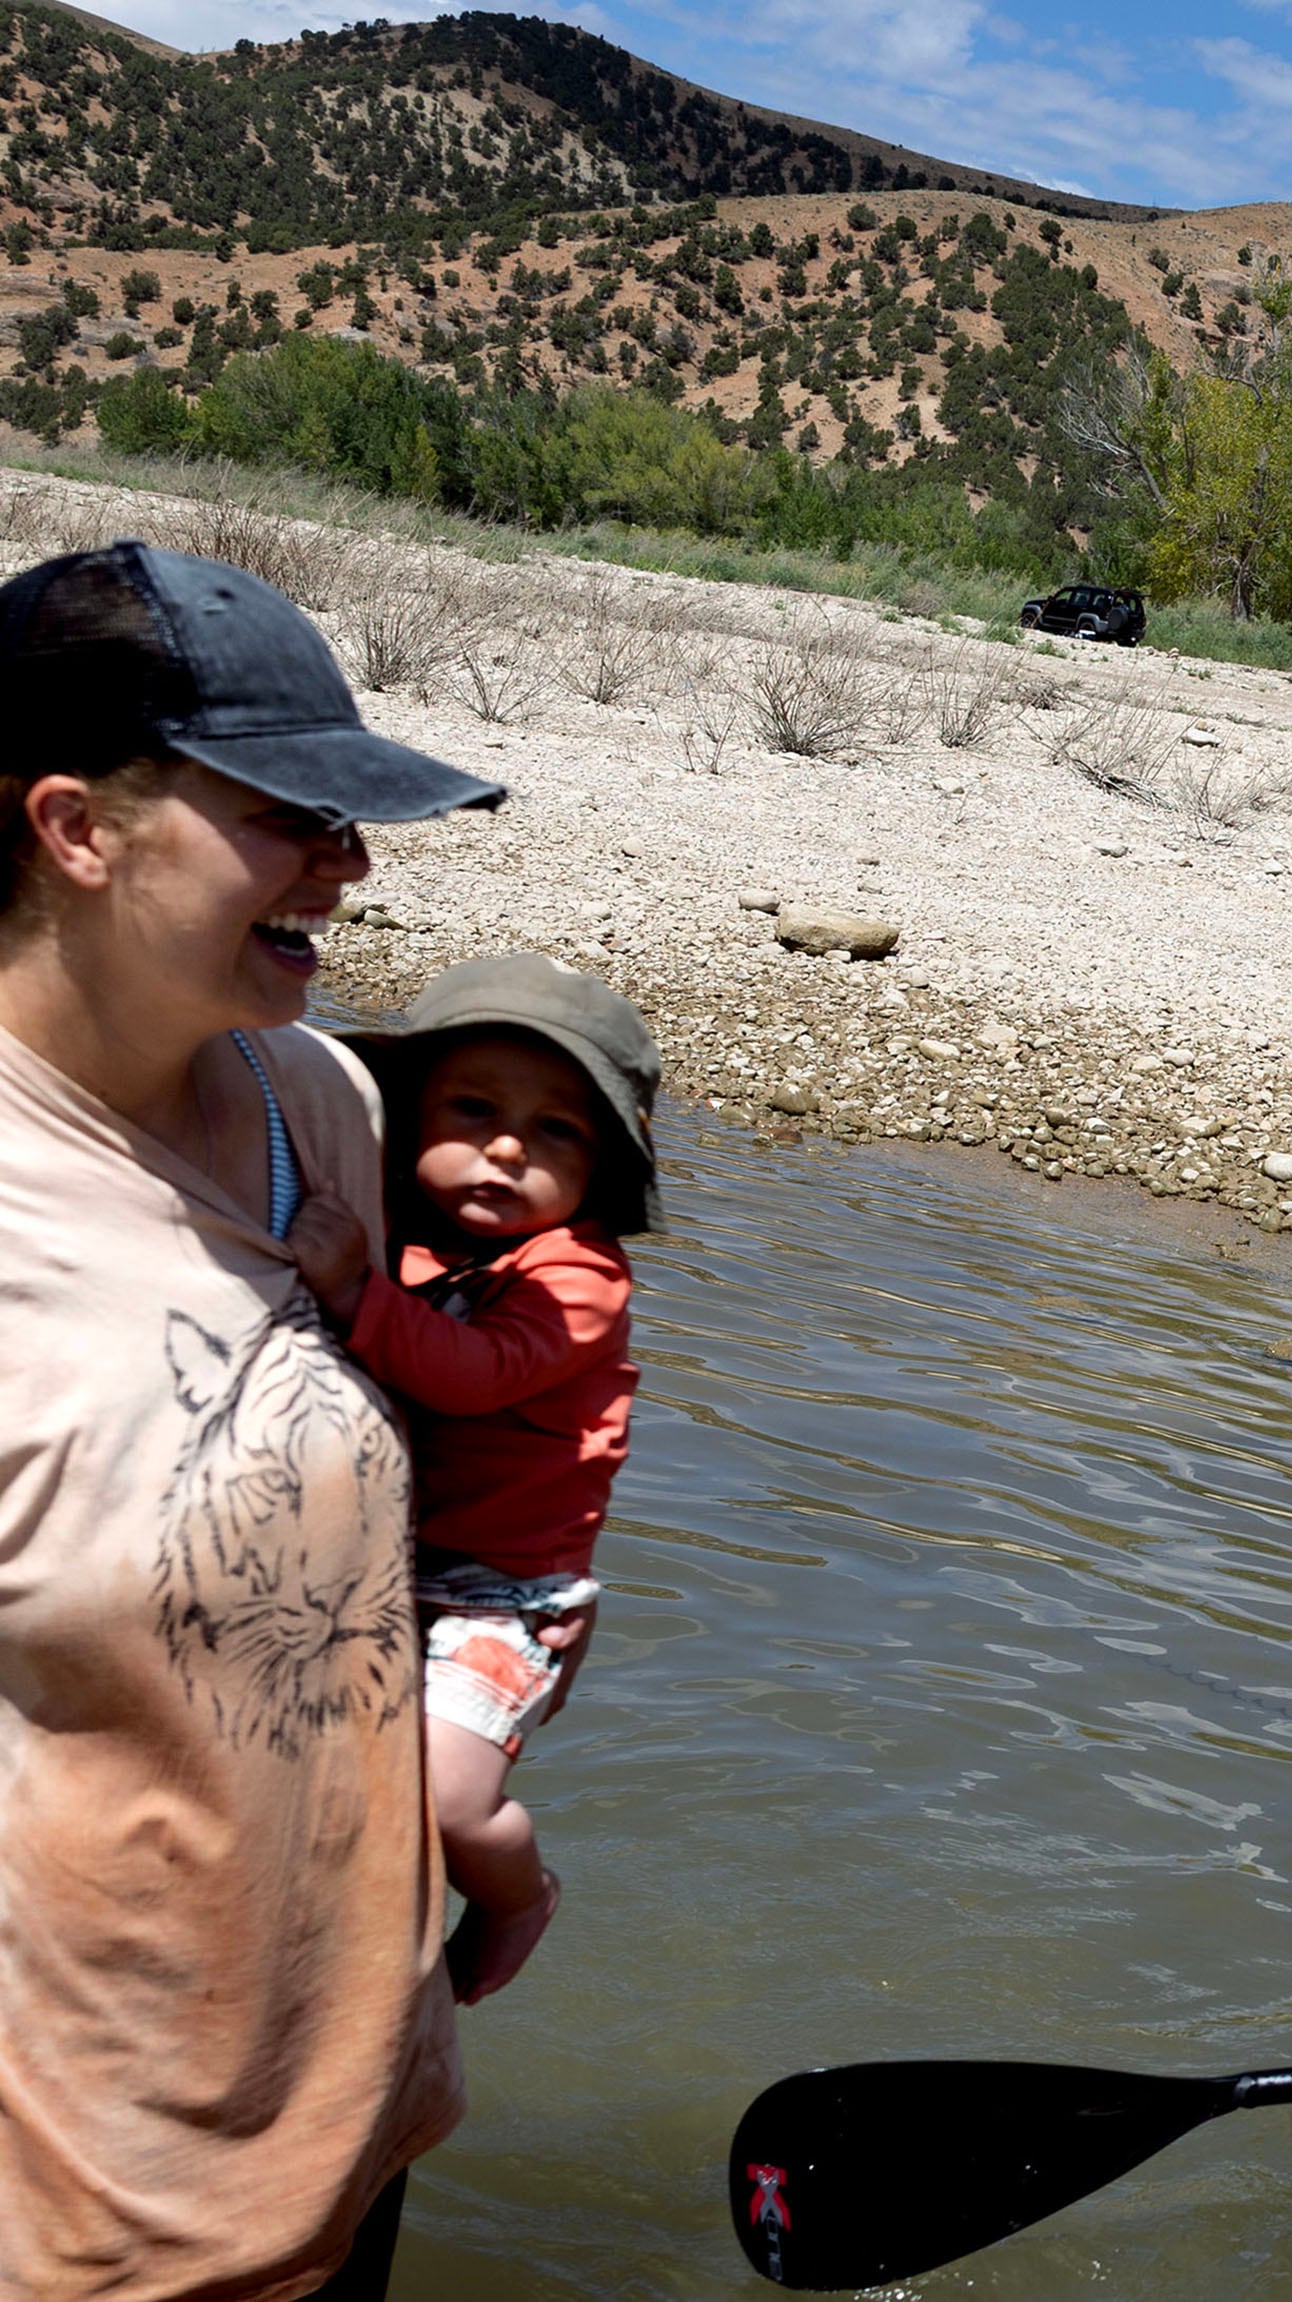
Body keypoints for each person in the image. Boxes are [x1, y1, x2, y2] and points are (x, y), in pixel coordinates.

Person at [0, 541, 502, 2298]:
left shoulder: (320, 1105)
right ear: (77, 828)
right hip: (94, 2230)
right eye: (296, 809)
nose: (352, 864)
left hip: (355, 2149)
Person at [289, 953, 657, 2008]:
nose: (505, 1148)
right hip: (384, 1563)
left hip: (505, 1591)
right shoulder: (397, 1233)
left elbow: (471, 1373)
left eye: (556, 1132)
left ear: (600, 1176)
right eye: (474, 1110)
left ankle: (515, 1895)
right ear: (408, 1120)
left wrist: (352, 1284)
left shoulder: (579, 1275)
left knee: (450, 1797)